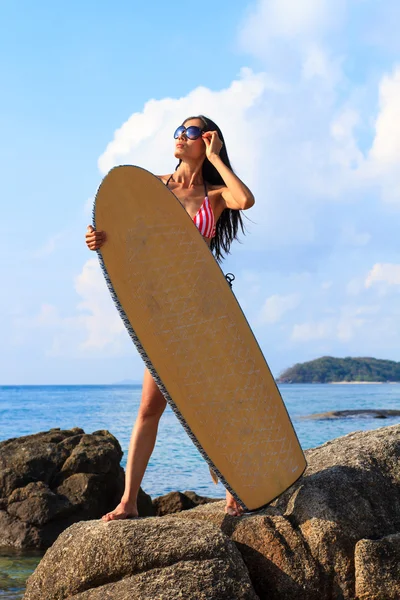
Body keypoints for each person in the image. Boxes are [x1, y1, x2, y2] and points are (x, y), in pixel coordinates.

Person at [86, 115, 255, 518]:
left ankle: (234, 490)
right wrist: (99, 240)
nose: (181, 136)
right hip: (159, 313)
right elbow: (120, 233)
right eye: (178, 131)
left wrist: (217, 160)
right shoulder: (152, 186)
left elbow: (245, 200)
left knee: (213, 402)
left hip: (203, 310)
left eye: (192, 132)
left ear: (209, 140)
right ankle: (128, 502)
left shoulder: (215, 195)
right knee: (150, 406)